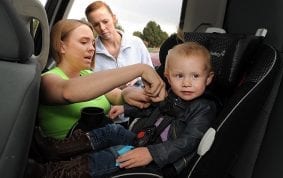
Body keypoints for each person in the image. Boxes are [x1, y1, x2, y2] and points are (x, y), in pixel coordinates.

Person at [35, 41, 217, 178]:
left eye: (195, 76)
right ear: (168, 77)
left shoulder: (204, 107)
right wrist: (125, 109)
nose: (186, 83)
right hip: (147, 140)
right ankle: (54, 150)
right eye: (179, 76)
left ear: (208, 79)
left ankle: (55, 172)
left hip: (163, 162)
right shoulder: (171, 95)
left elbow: (189, 141)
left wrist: (152, 153)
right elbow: (151, 111)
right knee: (113, 130)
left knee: (118, 153)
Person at [35, 19, 166, 162]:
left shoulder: (89, 76)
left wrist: (131, 93)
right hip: (70, 161)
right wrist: (140, 69)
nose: (92, 48)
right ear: (62, 46)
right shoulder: (47, 79)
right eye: (84, 42)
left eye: (92, 43)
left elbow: (118, 95)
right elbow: (68, 92)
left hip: (102, 151)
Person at [85, 1, 154, 124]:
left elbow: (151, 76)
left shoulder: (136, 43)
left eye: (105, 21)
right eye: (96, 24)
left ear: (114, 18)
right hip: (109, 119)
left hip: (139, 115)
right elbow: (90, 87)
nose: (102, 28)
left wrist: (136, 80)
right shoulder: (90, 52)